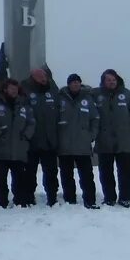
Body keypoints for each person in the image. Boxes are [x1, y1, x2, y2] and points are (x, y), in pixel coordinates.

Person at [92, 69, 130, 207]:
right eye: (108, 80)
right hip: (104, 141)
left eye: (113, 80)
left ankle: (125, 198)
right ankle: (109, 197)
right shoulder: (96, 95)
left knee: (125, 172)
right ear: (103, 81)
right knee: (106, 172)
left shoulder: (126, 95)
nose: (112, 82)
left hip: (123, 141)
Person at [0, 78, 35, 208]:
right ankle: (1, 201)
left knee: (19, 177)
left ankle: (20, 200)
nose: (14, 91)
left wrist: (26, 136)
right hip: (2, 147)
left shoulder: (24, 104)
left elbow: (31, 122)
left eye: (16, 89)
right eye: (11, 88)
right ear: (5, 89)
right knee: (1, 177)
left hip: (19, 147)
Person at [57, 74, 100, 209]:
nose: (75, 84)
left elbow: (95, 119)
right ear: (68, 84)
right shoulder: (60, 99)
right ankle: (70, 199)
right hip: (65, 145)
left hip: (82, 144)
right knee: (66, 174)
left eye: (77, 82)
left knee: (86, 175)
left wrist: (91, 135)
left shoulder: (87, 99)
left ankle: (90, 199)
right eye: (72, 82)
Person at [21, 68, 60, 206]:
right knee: (29, 172)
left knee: (51, 172)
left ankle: (52, 197)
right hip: (32, 141)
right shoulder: (25, 91)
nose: (43, 78)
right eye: (39, 76)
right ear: (32, 77)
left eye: (44, 75)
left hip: (49, 141)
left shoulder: (52, 90)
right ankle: (28, 197)